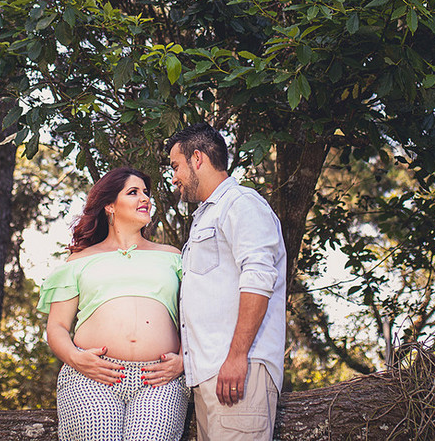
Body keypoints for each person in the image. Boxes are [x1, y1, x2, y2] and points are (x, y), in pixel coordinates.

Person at [148, 122, 287, 441]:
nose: (174, 178)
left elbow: (259, 277)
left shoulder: (241, 203)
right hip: (210, 375)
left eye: (176, 166)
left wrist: (237, 357)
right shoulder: (205, 217)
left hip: (240, 371)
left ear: (197, 159)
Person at [38, 166, 188, 441]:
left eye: (146, 193)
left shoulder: (173, 257)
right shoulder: (79, 261)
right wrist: (76, 358)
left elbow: (193, 319)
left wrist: (184, 362)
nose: (145, 198)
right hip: (91, 376)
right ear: (109, 204)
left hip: (159, 379)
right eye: (133, 192)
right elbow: (57, 326)